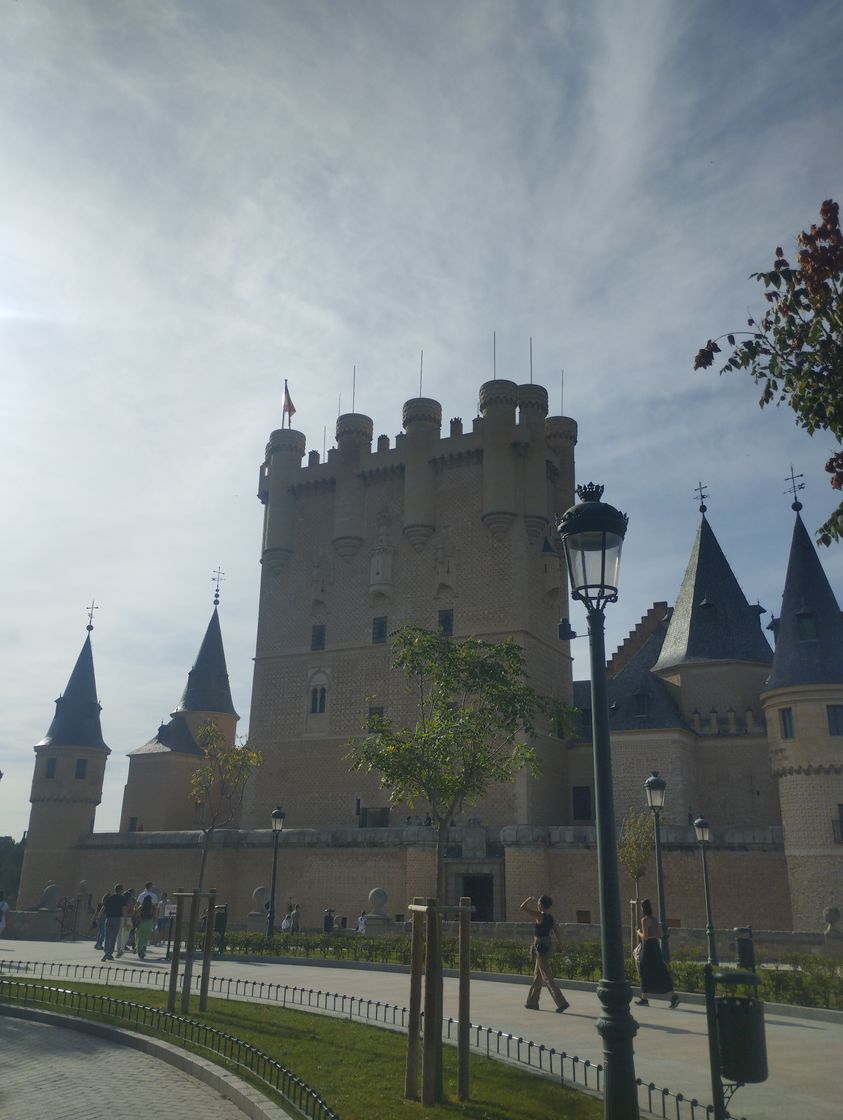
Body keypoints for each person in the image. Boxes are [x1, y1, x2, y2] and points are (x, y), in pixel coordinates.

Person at [520, 894, 569, 1013]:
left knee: (547, 977)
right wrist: (564, 951)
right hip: (546, 947)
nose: (537, 905)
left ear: (541, 905)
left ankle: (561, 1002)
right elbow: (558, 935)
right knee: (537, 977)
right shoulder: (551, 918)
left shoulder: (539, 915)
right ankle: (532, 1002)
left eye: (538, 903)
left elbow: (522, 907)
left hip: (540, 948)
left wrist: (529, 899)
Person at [635, 898, 680, 1008]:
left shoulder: (644, 920)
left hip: (648, 948)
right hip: (655, 946)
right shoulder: (654, 919)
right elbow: (661, 935)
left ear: (643, 908)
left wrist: (638, 932)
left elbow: (645, 937)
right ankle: (672, 996)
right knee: (660, 971)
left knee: (644, 970)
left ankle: (644, 999)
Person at [101, 884, 128, 961]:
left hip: (108, 918)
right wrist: (125, 918)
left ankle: (106, 952)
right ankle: (110, 953)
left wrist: (99, 916)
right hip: (117, 919)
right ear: (121, 890)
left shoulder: (110, 898)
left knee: (107, 936)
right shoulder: (123, 898)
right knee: (113, 937)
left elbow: (104, 907)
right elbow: (123, 909)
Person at [135, 892, 155, 959]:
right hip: (149, 923)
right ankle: (143, 951)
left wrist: (138, 919)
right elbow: (154, 915)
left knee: (139, 938)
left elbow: (137, 914)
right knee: (145, 938)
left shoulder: (141, 907)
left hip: (141, 923)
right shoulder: (152, 907)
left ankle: (139, 950)